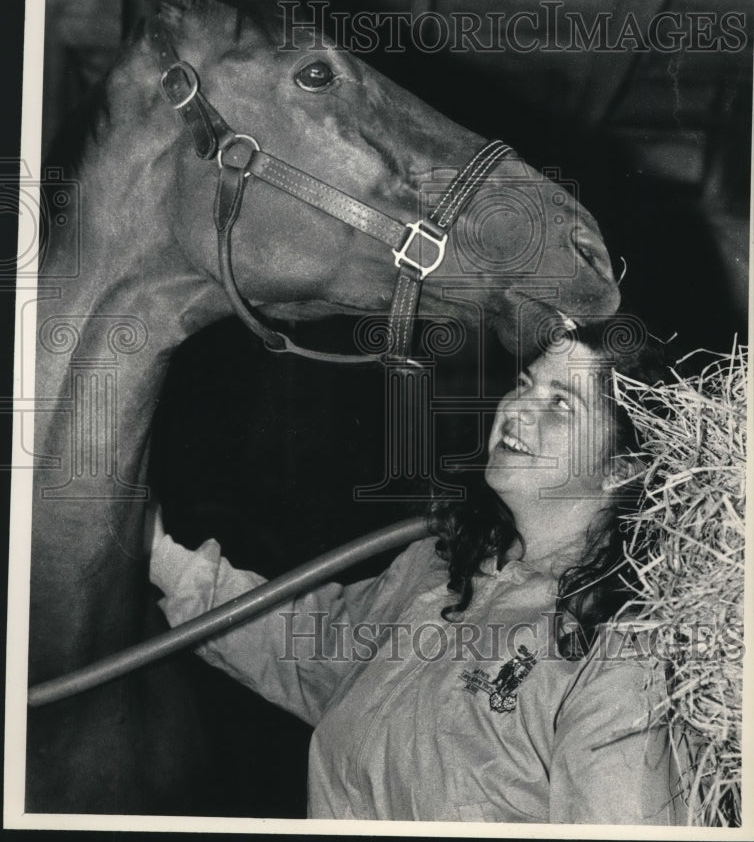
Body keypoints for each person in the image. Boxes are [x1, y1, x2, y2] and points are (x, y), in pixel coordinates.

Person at [148, 316, 684, 824]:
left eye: (560, 405)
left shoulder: (616, 656)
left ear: (621, 469)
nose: (517, 410)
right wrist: (164, 558)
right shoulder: (438, 567)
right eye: (524, 383)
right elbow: (311, 649)